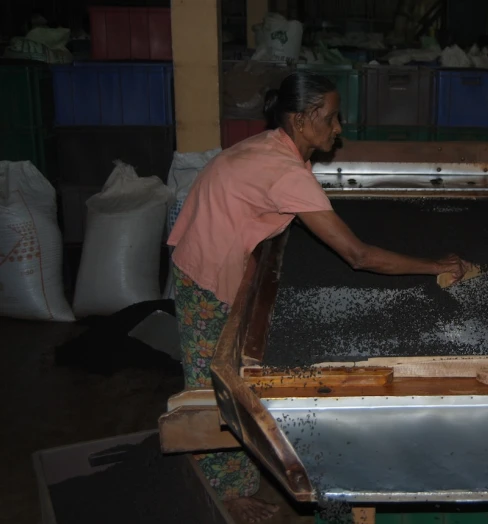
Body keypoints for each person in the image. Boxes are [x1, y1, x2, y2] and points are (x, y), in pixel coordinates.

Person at [167, 72, 470, 522]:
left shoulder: (276, 146)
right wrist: (434, 267)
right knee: (216, 386)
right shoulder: (287, 171)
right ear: (302, 119)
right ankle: (224, 496)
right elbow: (358, 255)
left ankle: (239, 481)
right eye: (330, 119)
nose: (339, 128)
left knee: (228, 374)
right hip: (204, 272)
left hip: (213, 250)